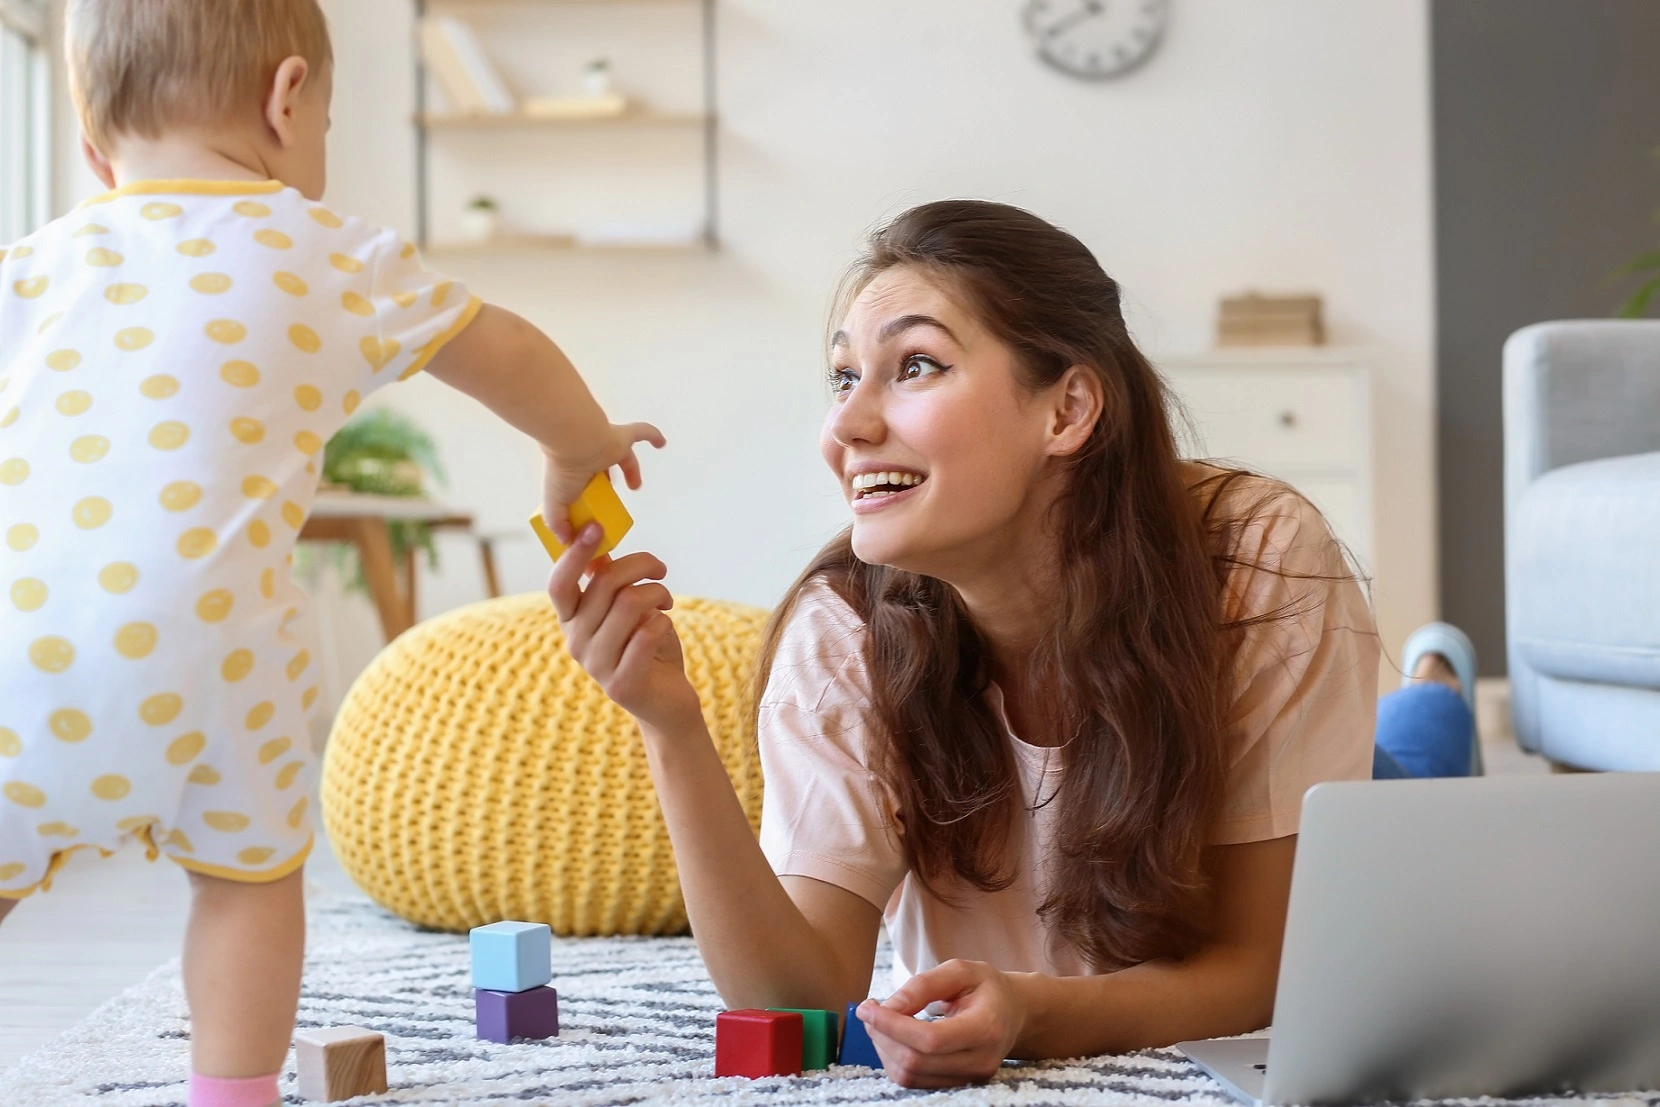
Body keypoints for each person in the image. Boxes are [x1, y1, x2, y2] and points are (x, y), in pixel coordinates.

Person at [548, 200, 1476, 1089]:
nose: (846, 426)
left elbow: (1259, 968)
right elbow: (802, 1000)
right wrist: (668, 726)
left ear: (1068, 410)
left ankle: (1435, 682)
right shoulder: (844, 630)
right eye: (842, 376)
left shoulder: (1257, 559)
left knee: (1423, 779)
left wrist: (1036, 1016)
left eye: (914, 365)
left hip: (1313, 789)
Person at [0, 3, 659, 1105]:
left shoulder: (27, 270)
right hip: (216, 667)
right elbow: (505, 349)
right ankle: (234, 1091)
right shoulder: (326, 251)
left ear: (85, 138)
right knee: (246, 882)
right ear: (286, 98)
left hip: (24, 664)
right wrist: (576, 447)